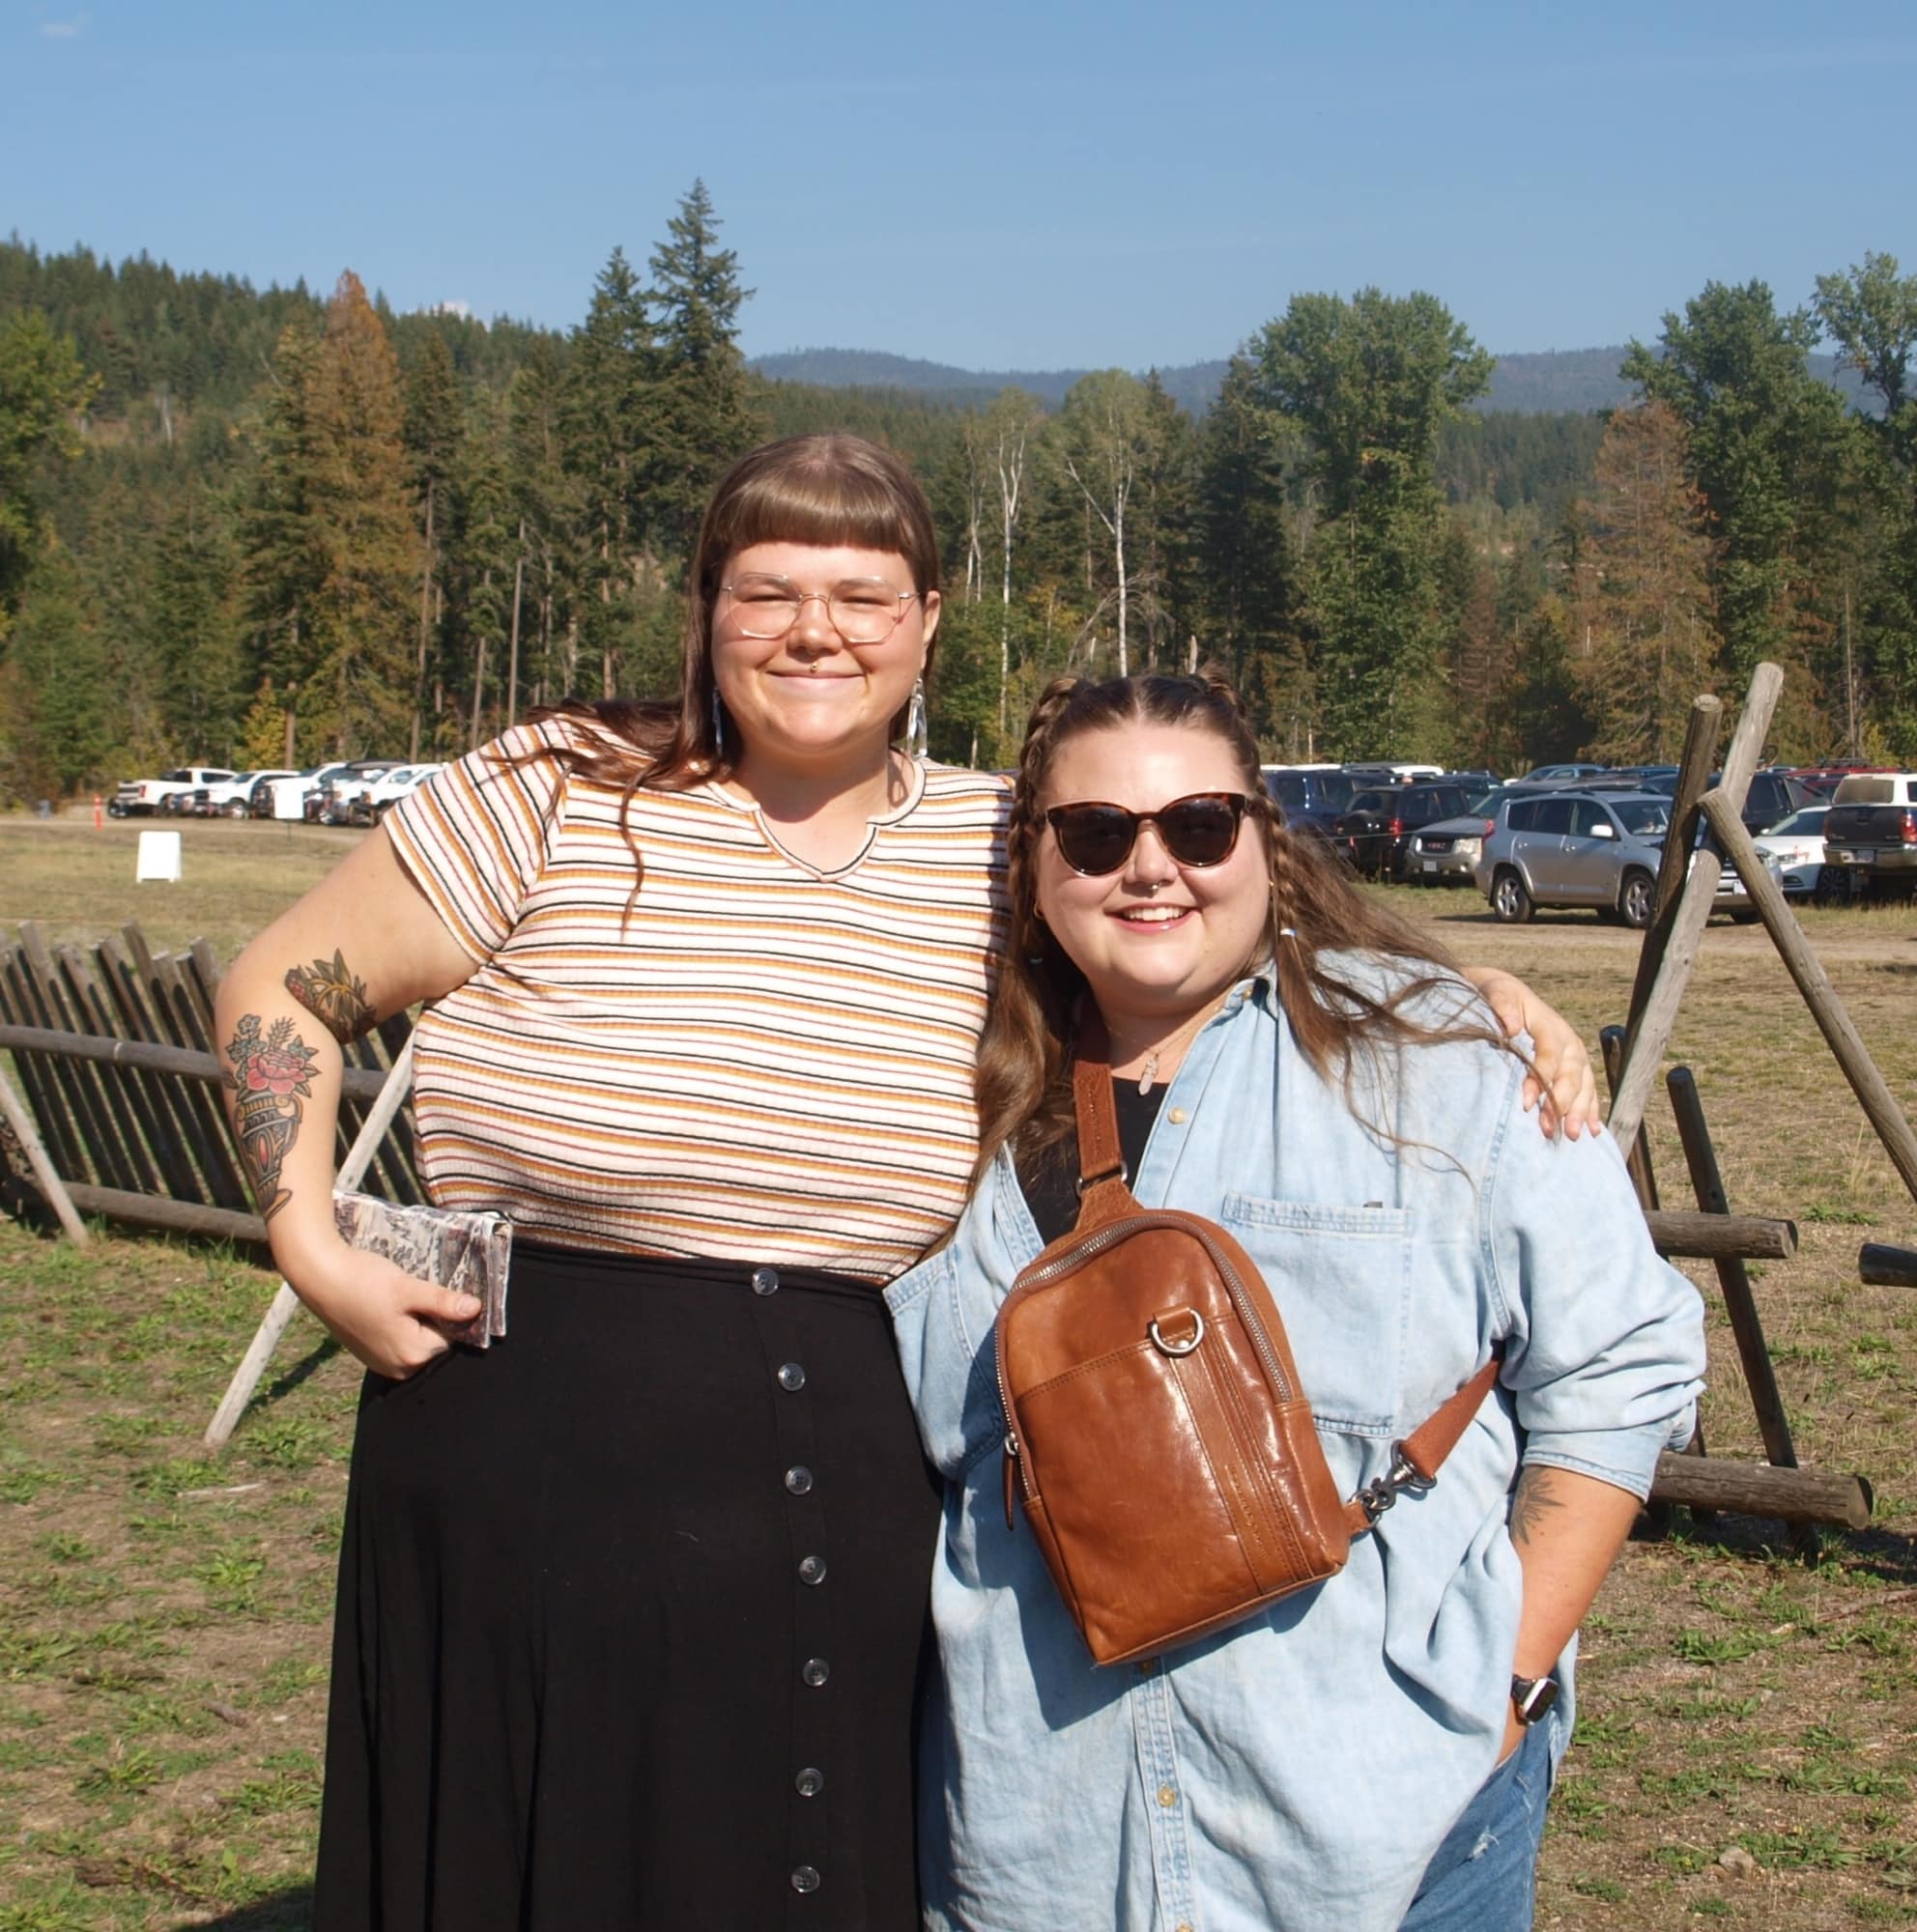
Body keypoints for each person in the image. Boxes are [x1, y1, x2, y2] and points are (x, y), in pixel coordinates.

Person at [213, 435, 1605, 1930]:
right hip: (531, 1478)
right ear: (706, 609)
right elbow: (280, 986)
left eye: (864, 596)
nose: (816, 631)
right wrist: (308, 1240)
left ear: (929, 620)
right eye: (769, 592)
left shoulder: (998, 838)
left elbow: (1218, 916)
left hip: (852, 1502)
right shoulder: (558, 788)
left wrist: (1478, 997)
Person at [886, 671, 1705, 1932]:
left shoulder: (1438, 1065)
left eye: (1198, 825)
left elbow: (1622, 1368)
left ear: (1263, 839)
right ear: (1033, 865)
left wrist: (1508, 1689)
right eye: (1096, 834)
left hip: (1392, 1845)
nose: (1150, 868)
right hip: (1043, 1853)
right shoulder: (935, 1115)